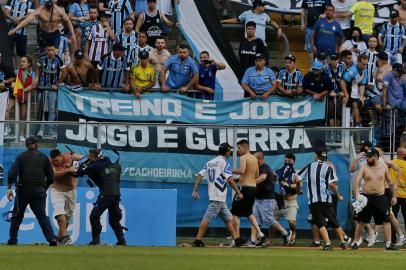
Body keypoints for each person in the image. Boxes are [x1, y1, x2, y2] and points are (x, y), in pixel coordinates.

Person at [191, 143, 245, 248]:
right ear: (227, 152)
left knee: (228, 219)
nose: (230, 152)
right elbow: (229, 179)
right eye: (229, 151)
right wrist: (238, 192)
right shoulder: (224, 162)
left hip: (216, 196)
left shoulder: (210, 162)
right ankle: (197, 240)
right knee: (207, 218)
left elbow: (200, 175)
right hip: (218, 196)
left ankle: (237, 239)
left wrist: (195, 190)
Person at [6, 136, 57, 246]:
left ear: (26, 145)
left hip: (23, 190)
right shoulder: (44, 157)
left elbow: (11, 174)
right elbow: (51, 177)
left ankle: (13, 240)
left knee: (17, 216)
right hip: (39, 191)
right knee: (42, 216)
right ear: (36, 144)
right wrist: (45, 188)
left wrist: (9, 188)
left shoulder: (20, 157)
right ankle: (52, 240)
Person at [298, 148, 348, 250]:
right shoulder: (329, 168)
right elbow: (333, 185)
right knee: (334, 222)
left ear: (316, 155)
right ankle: (343, 243)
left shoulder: (310, 166)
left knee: (320, 223)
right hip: (326, 199)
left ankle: (328, 243)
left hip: (314, 201)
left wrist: (299, 189)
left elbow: (297, 178)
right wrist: (338, 195)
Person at [76, 148, 127, 246]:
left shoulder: (96, 165)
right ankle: (122, 240)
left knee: (94, 216)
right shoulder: (107, 161)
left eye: (91, 156)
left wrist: (79, 167)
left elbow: (79, 173)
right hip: (116, 195)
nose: (89, 158)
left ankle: (96, 240)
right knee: (113, 220)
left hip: (106, 194)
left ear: (96, 156)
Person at [352, 148, 399, 250]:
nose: (367, 159)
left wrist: (394, 196)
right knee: (361, 221)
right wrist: (357, 194)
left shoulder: (383, 167)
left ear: (376, 157)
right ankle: (355, 242)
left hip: (381, 197)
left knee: (386, 220)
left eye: (369, 157)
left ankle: (388, 244)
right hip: (366, 197)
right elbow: (357, 181)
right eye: (367, 157)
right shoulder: (364, 167)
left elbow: (390, 182)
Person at [250, 151, 292, 246]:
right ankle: (252, 241)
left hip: (267, 198)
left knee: (268, 219)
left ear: (259, 159)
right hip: (258, 198)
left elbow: (263, 178)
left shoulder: (264, 167)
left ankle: (286, 233)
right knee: (254, 220)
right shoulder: (258, 167)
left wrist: (250, 182)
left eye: (253, 159)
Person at [231, 139, 266, 245]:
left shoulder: (243, 157)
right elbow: (256, 175)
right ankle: (260, 233)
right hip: (253, 188)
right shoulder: (255, 158)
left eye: (239, 148)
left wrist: (228, 170)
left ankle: (236, 239)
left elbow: (241, 171)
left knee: (235, 213)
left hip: (245, 188)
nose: (238, 150)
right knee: (248, 212)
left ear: (244, 147)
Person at [8, 0, 76, 52]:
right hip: (43, 34)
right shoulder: (40, 10)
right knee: (42, 54)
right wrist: (15, 29)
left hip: (55, 35)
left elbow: (68, 22)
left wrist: (73, 35)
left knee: (55, 53)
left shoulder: (59, 10)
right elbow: (27, 21)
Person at [49, 149, 82, 245]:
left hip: (71, 191)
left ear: (61, 156)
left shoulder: (70, 157)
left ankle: (60, 237)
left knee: (67, 216)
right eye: (53, 161)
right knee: (59, 213)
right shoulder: (50, 163)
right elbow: (54, 174)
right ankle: (66, 237)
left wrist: (76, 166)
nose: (55, 163)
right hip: (56, 190)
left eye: (57, 161)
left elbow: (85, 158)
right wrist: (68, 169)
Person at [35, 43, 65, 138]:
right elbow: (38, 69)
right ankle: (41, 130)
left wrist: (57, 83)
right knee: (42, 109)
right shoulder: (42, 58)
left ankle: (50, 130)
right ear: (45, 50)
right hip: (42, 87)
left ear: (55, 50)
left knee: (52, 110)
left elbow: (64, 72)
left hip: (53, 89)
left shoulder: (59, 59)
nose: (51, 52)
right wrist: (36, 79)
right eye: (48, 50)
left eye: (52, 50)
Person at [274, 153, 302, 245]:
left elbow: (300, 185)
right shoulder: (280, 171)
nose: (287, 162)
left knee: (292, 222)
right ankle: (270, 239)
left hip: (291, 201)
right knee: (271, 221)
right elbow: (273, 177)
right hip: (280, 200)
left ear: (293, 161)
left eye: (289, 161)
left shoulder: (296, 173)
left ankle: (293, 232)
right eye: (286, 160)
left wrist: (289, 185)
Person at [340, 54, 368, 127]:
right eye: (363, 64)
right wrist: (346, 95)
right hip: (347, 89)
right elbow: (342, 82)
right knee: (354, 105)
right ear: (358, 62)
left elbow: (362, 84)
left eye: (366, 64)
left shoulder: (364, 71)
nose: (365, 66)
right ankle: (357, 124)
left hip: (355, 90)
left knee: (361, 104)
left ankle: (359, 124)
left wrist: (361, 96)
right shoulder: (353, 70)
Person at [13, 56, 36, 141]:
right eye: (21, 61)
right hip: (14, 96)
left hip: (25, 97)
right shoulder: (16, 72)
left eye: (24, 62)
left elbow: (33, 85)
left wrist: (22, 90)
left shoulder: (32, 73)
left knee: (23, 115)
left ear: (29, 63)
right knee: (7, 110)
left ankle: (22, 134)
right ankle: (7, 129)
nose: (21, 63)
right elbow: (13, 82)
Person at [325, 54, 345, 127]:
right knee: (330, 112)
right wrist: (330, 92)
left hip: (340, 92)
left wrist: (343, 91)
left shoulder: (342, 66)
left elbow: (344, 80)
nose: (333, 61)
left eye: (335, 59)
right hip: (331, 93)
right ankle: (332, 131)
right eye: (332, 59)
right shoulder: (326, 68)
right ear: (329, 60)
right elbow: (325, 82)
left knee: (339, 112)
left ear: (338, 60)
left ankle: (338, 132)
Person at [391, 147, 406, 237]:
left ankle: (393, 239)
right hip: (404, 195)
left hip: (393, 195)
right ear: (403, 155)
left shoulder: (391, 163)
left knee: (393, 218)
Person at [0, 53, 16, 136]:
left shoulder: (5, 66)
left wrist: (4, 82)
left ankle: (7, 127)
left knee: (5, 110)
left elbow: (13, 77)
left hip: (7, 92)